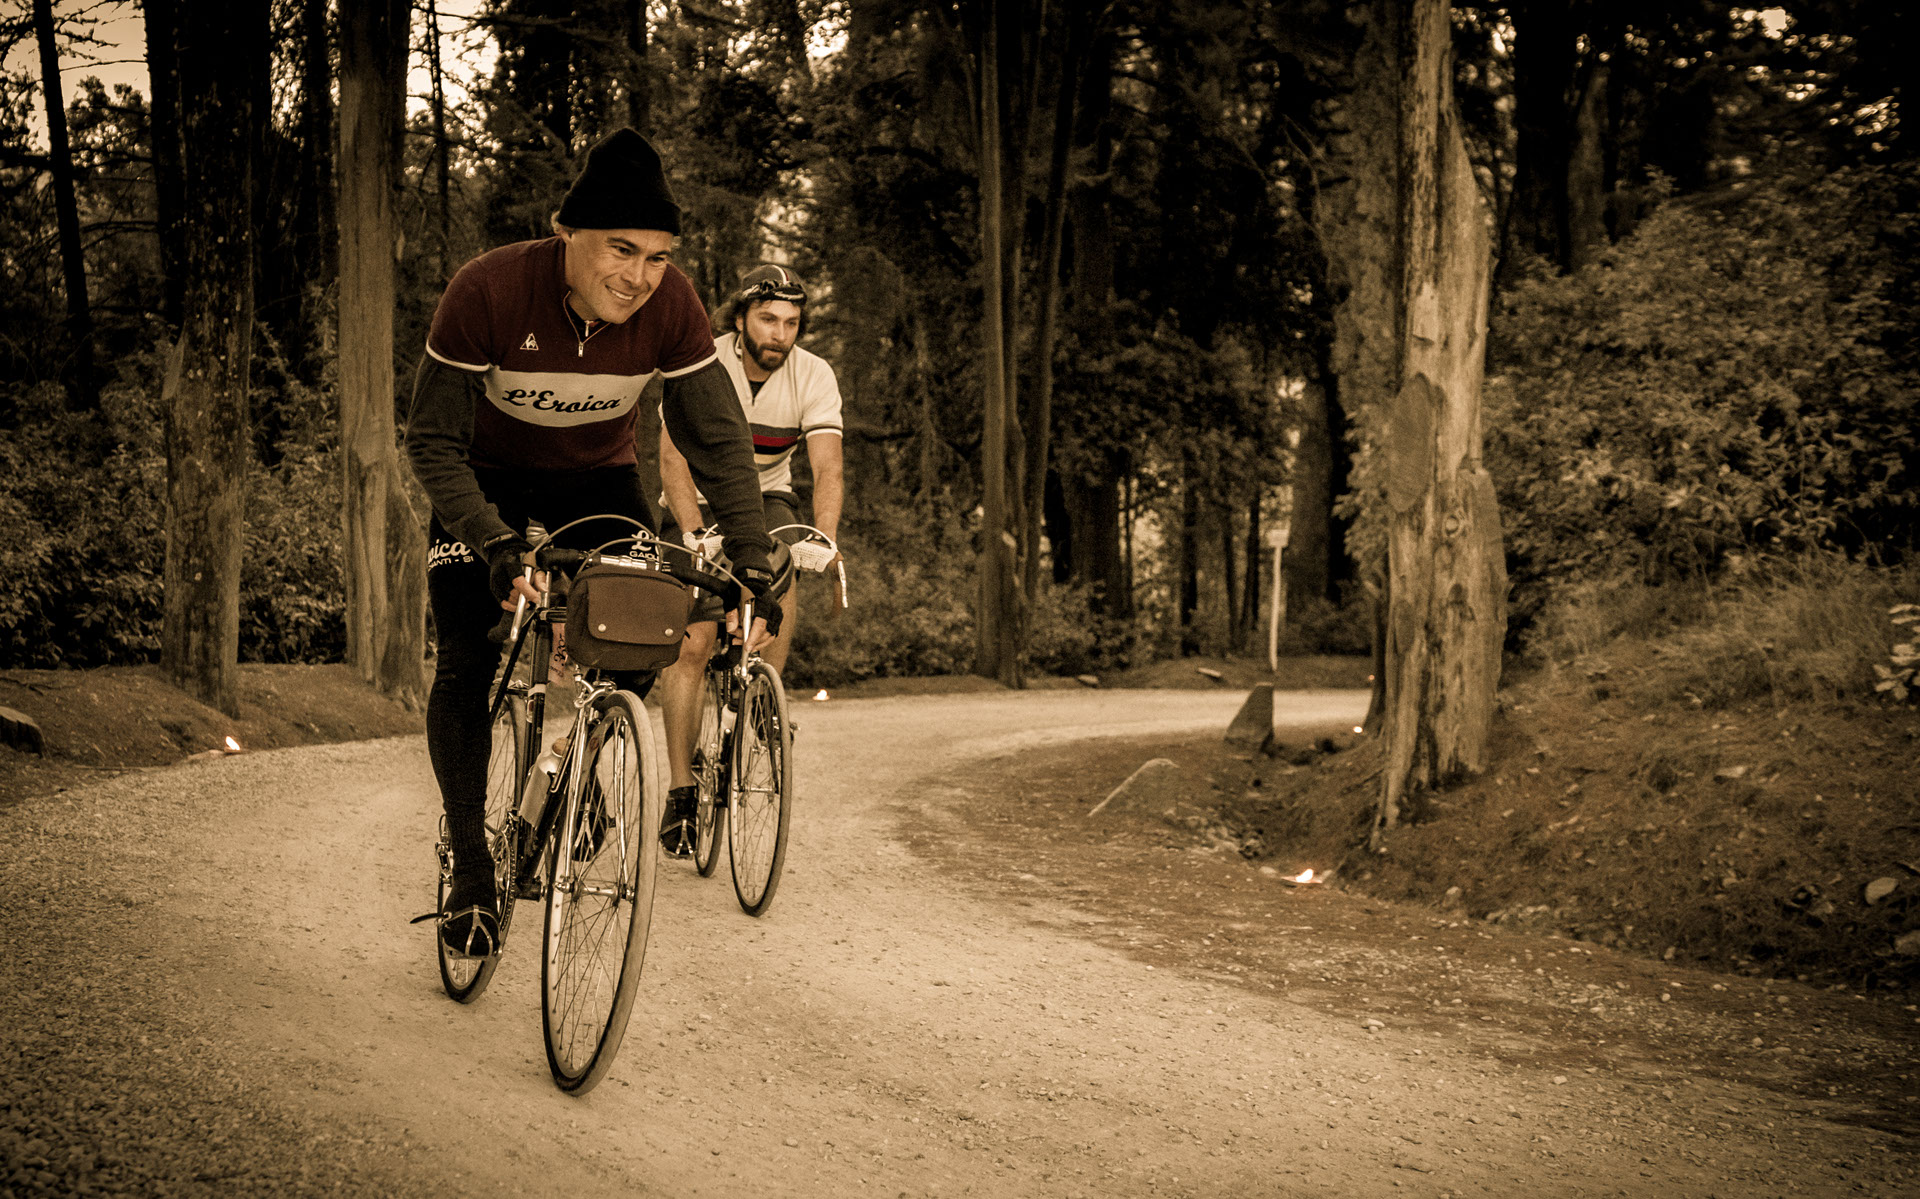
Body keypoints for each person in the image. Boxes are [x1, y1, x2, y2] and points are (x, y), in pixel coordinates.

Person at [404, 128, 780, 959]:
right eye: (620, 249)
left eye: (656, 256)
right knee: (468, 658)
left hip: (598, 484)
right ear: (565, 232)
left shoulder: (671, 305)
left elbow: (717, 438)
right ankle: (472, 868)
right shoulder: (489, 290)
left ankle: (577, 769)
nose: (639, 278)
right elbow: (430, 441)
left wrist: (751, 554)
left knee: (644, 626)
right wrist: (495, 542)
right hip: (485, 481)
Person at [654, 264, 844, 856]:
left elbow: (828, 467)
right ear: (741, 319)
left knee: (781, 563)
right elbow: (672, 459)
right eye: (767, 319)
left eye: (791, 323)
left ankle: (764, 692)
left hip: (765, 495)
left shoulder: (814, 374)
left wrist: (824, 539)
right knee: (694, 637)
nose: (779, 334)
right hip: (698, 495)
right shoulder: (701, 359)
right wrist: (691, 533)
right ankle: (682, 791)